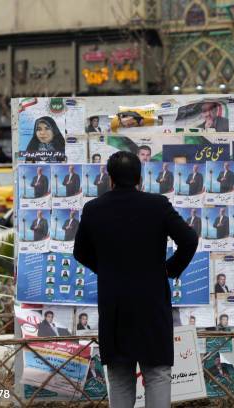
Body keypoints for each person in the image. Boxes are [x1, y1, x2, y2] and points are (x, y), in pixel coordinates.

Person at [73, 151, 198, 408]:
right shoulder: (158, 205)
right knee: (157, 374)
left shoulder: (93, 209)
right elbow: (189, 239)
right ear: (140, 178)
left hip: (114, 304)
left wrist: (107, 270)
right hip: (152, 302)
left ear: (110, 178)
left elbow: (80, 252)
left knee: (119, 376)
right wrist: (169, 269)